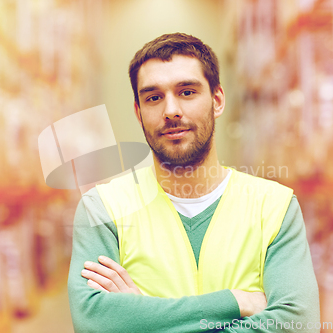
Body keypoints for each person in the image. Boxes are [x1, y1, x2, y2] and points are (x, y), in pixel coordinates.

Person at [68, 33, 320, 332]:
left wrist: (143, 319)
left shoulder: (275, 207)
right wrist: (234, 302)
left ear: (217, 101)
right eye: (153, 97)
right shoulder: (103, 210)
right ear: (139, 113)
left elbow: (298, 323)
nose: (171, 110)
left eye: (187, 92)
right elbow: (94, 320)